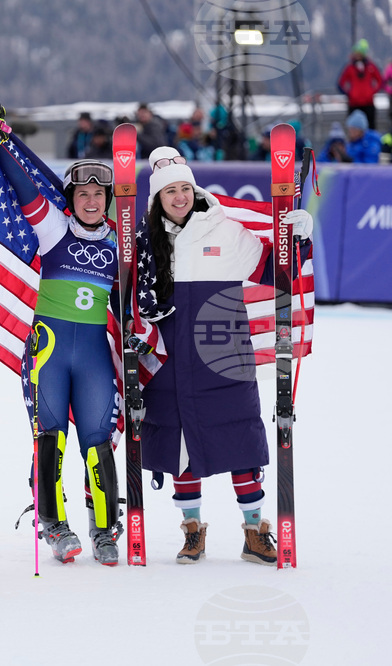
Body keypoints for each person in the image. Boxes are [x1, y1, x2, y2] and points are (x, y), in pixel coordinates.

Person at [133, 147, 314, 566]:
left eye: (185, 188)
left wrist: (298, 240)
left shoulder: (225, 231)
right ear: (157, 198)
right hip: (170, 356)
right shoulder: (145, 244)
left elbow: (275, 271)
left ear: (195, 190)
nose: (179, 197)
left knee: (240, 440)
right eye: (169, 191)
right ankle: (192, 531)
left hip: (223, 353)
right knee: (179, 444)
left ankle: (254, 533)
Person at [0, 131, 122, 564]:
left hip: (93, 358)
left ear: (108, 199)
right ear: (72, 199)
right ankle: (53, 524)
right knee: (50, 438)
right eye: (83, 194)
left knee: (97, 441)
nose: (91, 201)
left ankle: (104, 530)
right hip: (48, 353)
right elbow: (23, 185)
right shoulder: (53, 228)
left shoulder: (119, 243)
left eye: (98, 194)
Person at [338, 39, 383, 131]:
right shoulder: (350, 67)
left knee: (370, 128)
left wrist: (371, 92)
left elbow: (380, 80)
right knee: (353, 129)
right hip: (354, 104)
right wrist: (349, 94)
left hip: (368, 103)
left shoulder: (371, 66)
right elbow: (340, 83)